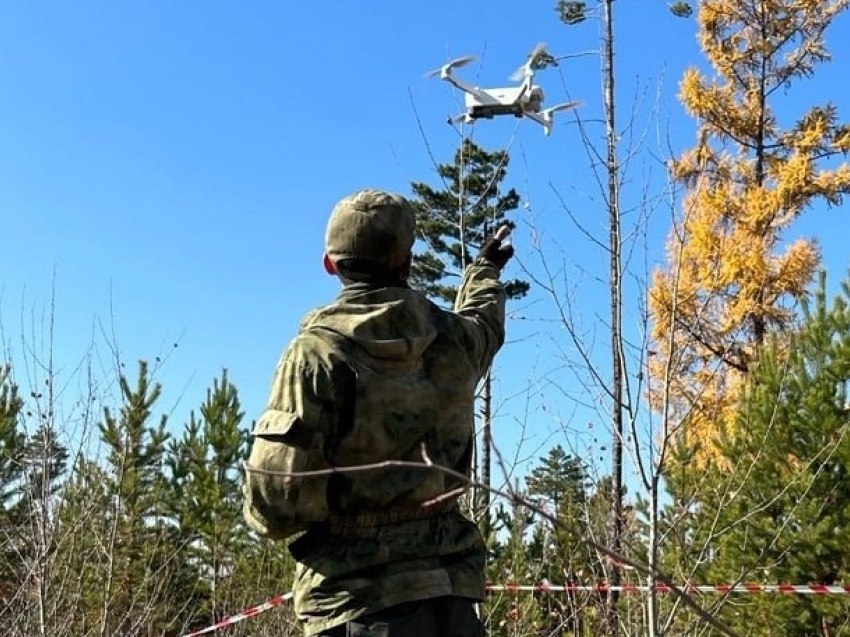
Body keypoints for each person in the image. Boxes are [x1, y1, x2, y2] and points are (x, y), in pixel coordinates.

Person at [243, 188, 514, 637]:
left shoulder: (316, 356)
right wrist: (485, 268)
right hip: (451, 605)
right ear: (406, 262)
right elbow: (484, 321)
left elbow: (275, 507)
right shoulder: (455, 344)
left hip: (356, 607)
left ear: (330, 264)